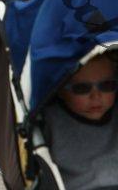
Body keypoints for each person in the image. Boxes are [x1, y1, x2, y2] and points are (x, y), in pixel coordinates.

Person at [44, 53, 118, 189]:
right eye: (81, 88)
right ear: (60, 91)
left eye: (106, 85)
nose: (96, 96)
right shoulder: (49, 121)